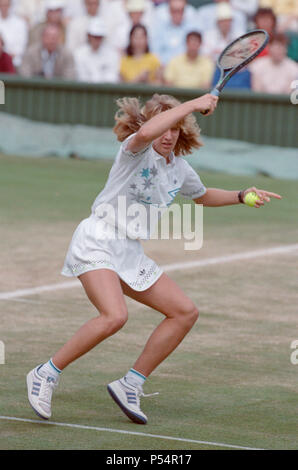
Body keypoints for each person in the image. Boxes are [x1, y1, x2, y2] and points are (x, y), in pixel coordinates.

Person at [26, 90, 282, 425]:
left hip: (129, 251)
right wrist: (191, 105)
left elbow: (202, 196)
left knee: (184, 312)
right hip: (98, 239)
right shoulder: (135, 150)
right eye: (166, 125)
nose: (169, 134)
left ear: (182, 132)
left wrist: (240, 194)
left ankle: (131, 382)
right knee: (114, 316)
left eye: (176, 128)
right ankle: (45, 373)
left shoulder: (180, 168)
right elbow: (146, 133)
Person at [150, 0, 197, 65]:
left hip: (188, 67)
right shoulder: (160, 26)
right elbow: (155, 51)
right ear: (169, 11)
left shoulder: (192, 26)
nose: (177, 14)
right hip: (165, 67)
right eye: (174, 11)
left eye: (180, 11)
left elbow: (197, 49)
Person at [74, 17, 120, 83]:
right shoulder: (79, 53)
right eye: (95, 36)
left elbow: (112, 78)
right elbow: (82, 77)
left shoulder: (112, 54)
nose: (97, 40)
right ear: (89, 36)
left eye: (100, 37)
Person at [0, 0, 28, 68]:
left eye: (6, 5)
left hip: (16, 63)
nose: (4, 8)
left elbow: (21, 48)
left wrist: (8, 56)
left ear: (10, 6)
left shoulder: (20, 23)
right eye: (2, 5)